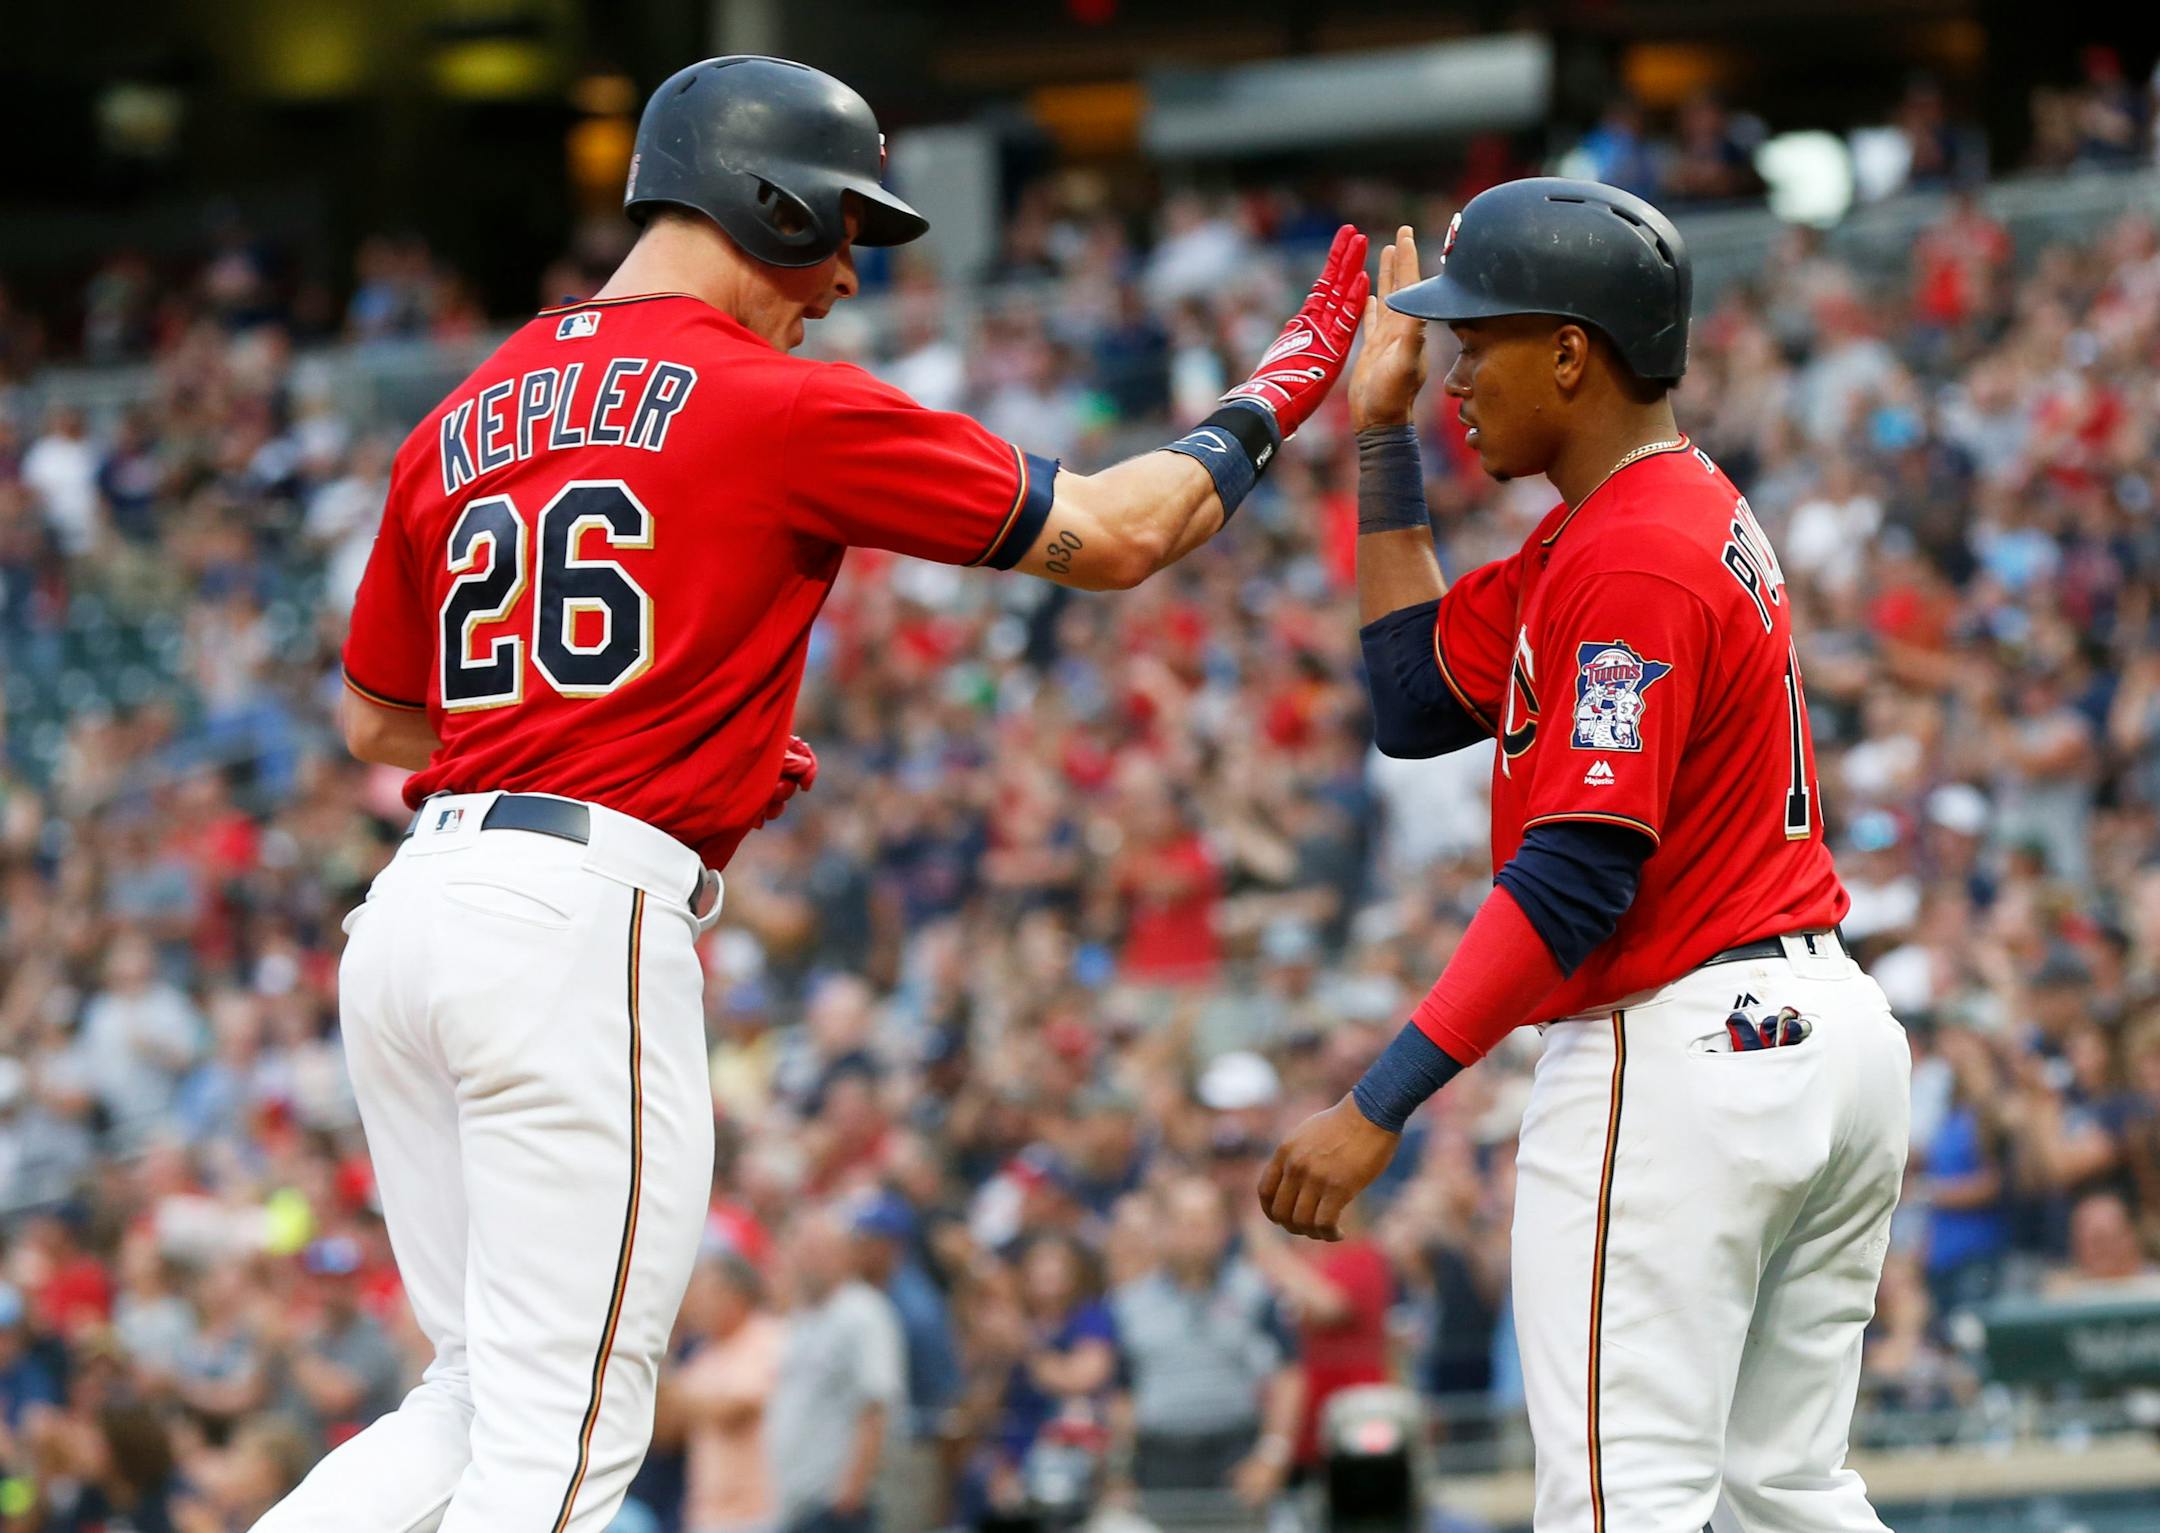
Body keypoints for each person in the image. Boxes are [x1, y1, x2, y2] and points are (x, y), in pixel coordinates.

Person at [263, 52, 1362, 1533]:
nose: (849, 271)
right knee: (568, 1440)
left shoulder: (465, 406)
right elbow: (1112, 536)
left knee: (471, 1394)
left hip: (413, 914)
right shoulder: (769, 396)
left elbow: (379, 721)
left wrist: (650, 721)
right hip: (571, 918)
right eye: (839, 225)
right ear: (759, 197)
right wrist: (1280, 388)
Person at [1261, 181, 1913, 1531]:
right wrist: (1375, 436)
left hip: (1684, 1051)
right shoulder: (1644, 519)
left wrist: (1376, 1102)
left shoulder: (1631, 559)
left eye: (1476, 340)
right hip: (1814, 1033)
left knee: (1624, 1507)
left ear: (1571, 352)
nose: (1451, 374)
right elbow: (1411, 696)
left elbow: (1572, 880)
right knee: (1783, 1492)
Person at [766, 1209, 906, 1533]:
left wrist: (849, 1496)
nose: (808, 1260)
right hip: (794, 1505)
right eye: (802, 1250)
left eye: (819, 1251)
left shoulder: (863, 1313)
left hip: (834, 1508)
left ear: (846, 1255)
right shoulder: (802, 1316)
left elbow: (876, 1407)